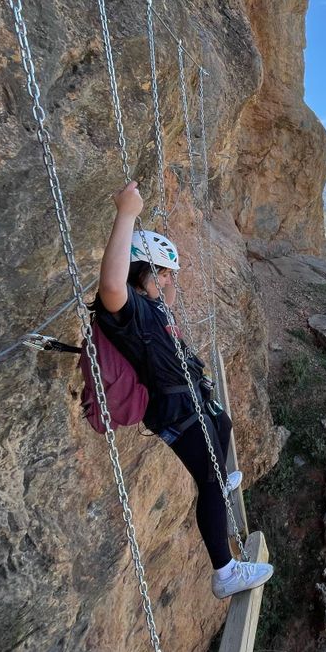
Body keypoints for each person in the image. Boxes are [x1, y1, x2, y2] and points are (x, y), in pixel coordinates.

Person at [96, 180, 273, 599]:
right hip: (174, 408)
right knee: (210, 481)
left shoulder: (149, 305)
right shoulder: (124, 307)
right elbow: (111, 287)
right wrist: (127, 215)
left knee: (223, 422)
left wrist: (167, 287)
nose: (170, 283)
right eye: (164, 275)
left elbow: (158, 311)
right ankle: (226, 572)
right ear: (144, 272)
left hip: (188, 397)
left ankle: (219, 485)